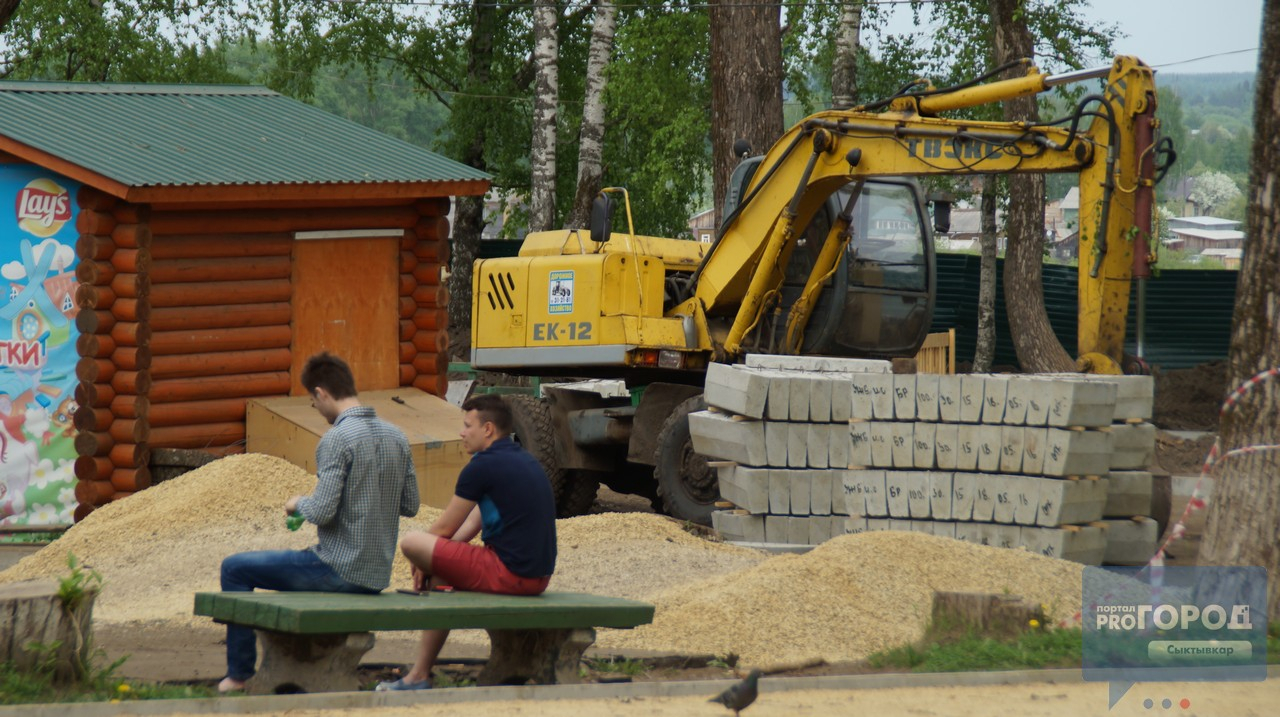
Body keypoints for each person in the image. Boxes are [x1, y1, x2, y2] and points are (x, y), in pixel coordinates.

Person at [217, 352, 420, 693]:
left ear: (322, 393)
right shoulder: (397, 436)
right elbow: (411, 505)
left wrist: (298, 503)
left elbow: (322, 511)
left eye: (313, 401)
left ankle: (238, 676)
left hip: (337, 569)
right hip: (375, 574)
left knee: (235, 568)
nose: (316, 408)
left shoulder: (336, 439)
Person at [376, 394, 557, 691]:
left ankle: (419, 677)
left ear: (487, 429)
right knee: (442, 570)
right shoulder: (520, 458)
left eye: (467, 425)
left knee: (411, 541)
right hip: (537, 577)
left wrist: (421, 557)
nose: (461, 433)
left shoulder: (482, 465)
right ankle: (418, 676)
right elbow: (472, 523)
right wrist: (434, 560)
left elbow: (445, 526)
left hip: (511, 573)